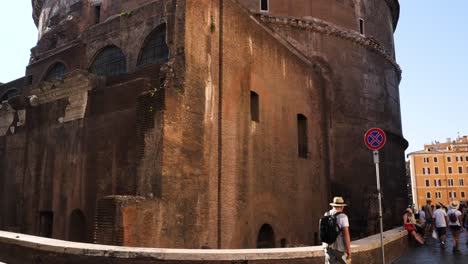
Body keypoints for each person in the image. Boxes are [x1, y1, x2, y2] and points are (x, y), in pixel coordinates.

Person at [323, 197, 351, 264]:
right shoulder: (343, 217)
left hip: (327, 247)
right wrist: (349, 250)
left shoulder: (326, 214)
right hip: (339, 248)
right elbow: (346, 235)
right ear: (342, 207)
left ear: (333, 205)